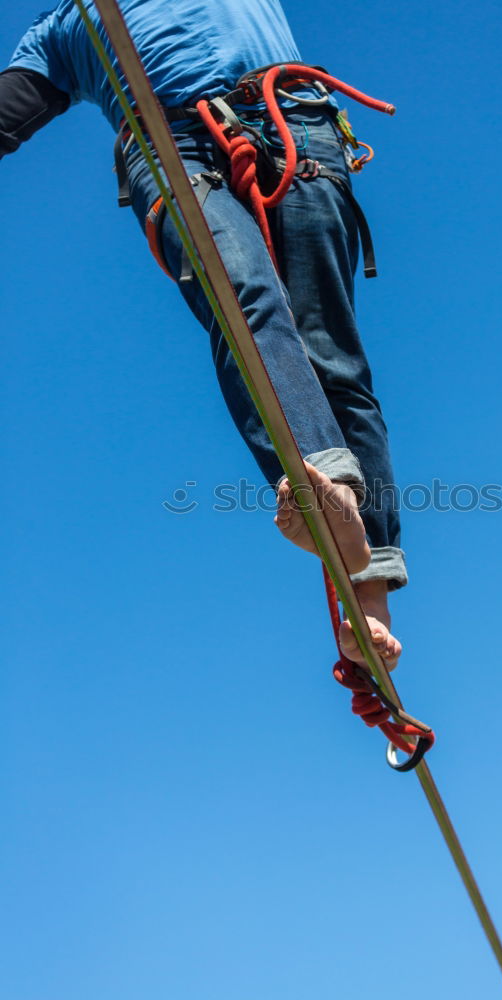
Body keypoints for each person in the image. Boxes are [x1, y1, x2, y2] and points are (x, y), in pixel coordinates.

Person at [0, 0, 406, 668]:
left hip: (296, 123)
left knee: (336, 363)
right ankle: (314, 486)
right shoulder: (63, 30)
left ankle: (369, 604)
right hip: (171, 146)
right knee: (241, 293)